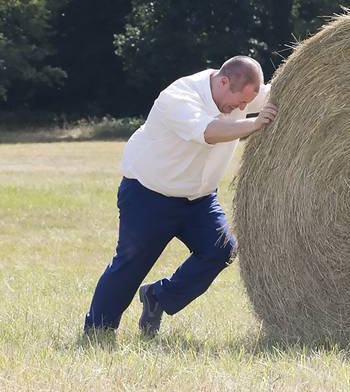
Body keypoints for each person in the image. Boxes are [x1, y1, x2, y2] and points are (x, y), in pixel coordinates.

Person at [83, 56, 278, 336]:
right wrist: (254, 124)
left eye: (249, 103)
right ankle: (98, 328)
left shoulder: (238, 93)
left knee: (220, 249)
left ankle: (158, 297)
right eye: (240, 102)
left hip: (199, 199)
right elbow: (209, 132)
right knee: (132, 260)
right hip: (149, 193)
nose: (243, 108)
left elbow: (284, 90)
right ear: (223, 81)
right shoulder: (179, 97)